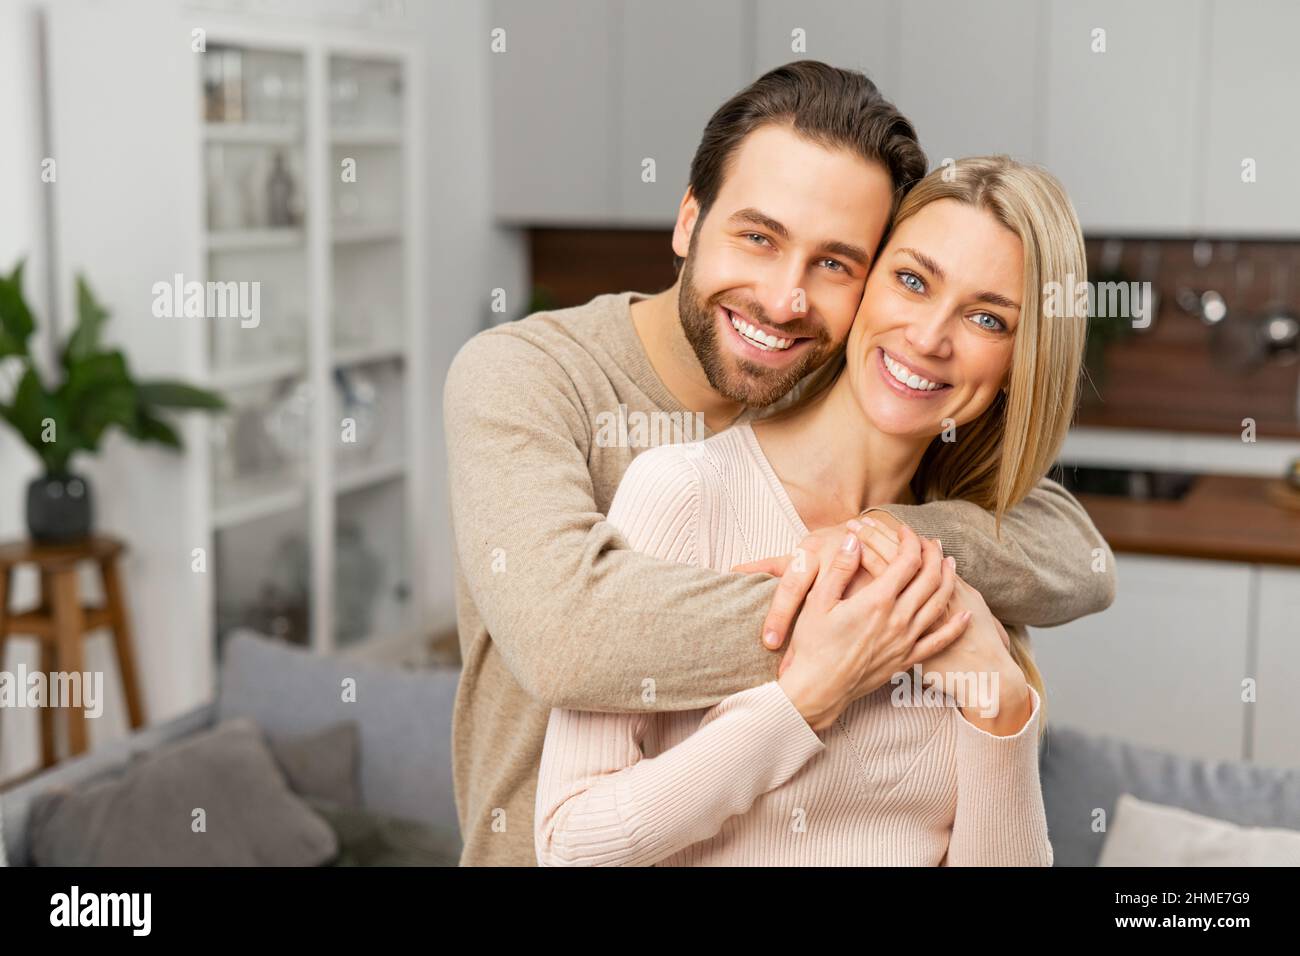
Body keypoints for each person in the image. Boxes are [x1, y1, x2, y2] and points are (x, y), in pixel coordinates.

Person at [444, 62, 1114, 866]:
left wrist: (890, 553)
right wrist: (862, 619)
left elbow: (1078, 556)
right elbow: (568, 639)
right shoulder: (533, 379)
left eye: (835, 262)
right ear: (689, 220)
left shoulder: (890, 433)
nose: (784, 299)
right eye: (757, 236)